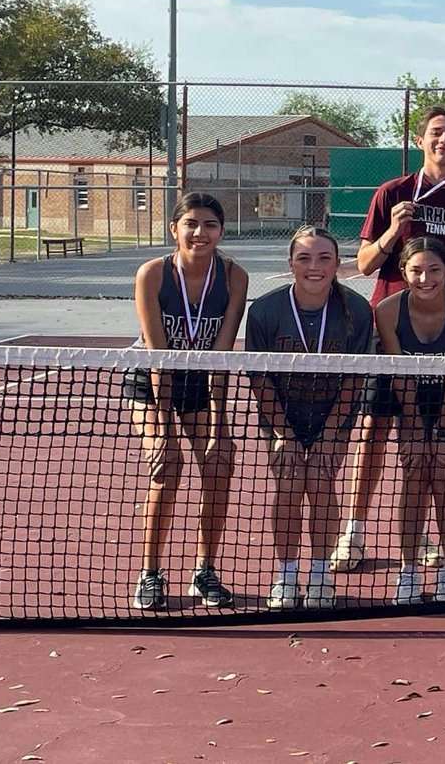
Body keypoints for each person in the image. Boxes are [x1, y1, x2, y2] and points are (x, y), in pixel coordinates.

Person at [332, 106, 445, 572]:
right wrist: (395, 230)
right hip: (392, 330)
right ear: (421, 140)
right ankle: (353, 534)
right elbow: (364, 264)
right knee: (375, 433)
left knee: (438, 447)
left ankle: (437, 542)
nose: (444, 140)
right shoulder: (392, 192)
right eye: (436, 133)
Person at [125, 192, 249, 611]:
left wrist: (220, 430)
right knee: (168, 469)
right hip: (153, 379)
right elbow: (159, 356)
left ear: (222, 231)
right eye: (191, 224)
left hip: (201, 382)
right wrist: (163, 433)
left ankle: (205, 570)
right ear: (174, 229)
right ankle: (150, 573)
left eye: (210, 225)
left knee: (218, 468)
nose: (200, 233)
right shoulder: (152, 275)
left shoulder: (234, 277)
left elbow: (222, 357)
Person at [246, 226, 374, 610]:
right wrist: (283, 434)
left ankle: (319, 577)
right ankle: (286, 576)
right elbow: (260, 379)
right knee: (288, 484)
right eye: (304, 258)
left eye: (324, 258)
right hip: (281, 415)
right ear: (290, 265)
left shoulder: (357, 310)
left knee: (320, 483)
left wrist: (333, 433)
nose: (314, 267)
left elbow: (355, 379)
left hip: (332, 416)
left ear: (337, 264)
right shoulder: (264, 311)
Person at [375, 237, 445, 604]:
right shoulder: (388, 311)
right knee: (414, 473)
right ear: (404, 273)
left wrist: (443, 429)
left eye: (434, 270)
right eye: (417, 270)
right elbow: (400, 375)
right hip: (410, 400)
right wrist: (418, 428)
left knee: (443, 472)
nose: (426, 278)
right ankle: (408, 572)